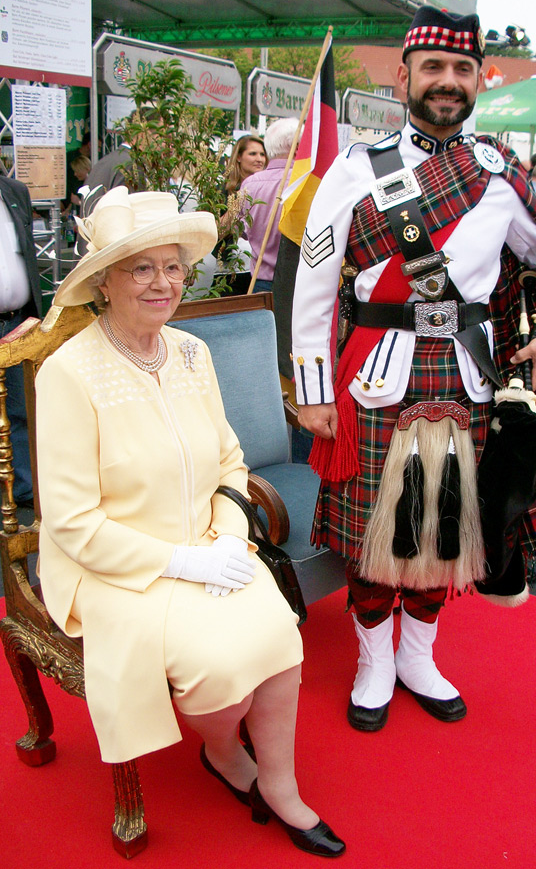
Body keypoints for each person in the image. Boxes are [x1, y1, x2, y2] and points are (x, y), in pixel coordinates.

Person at [291, 7, 536, 733]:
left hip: (465, 375)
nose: (446, 83)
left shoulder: (500, 173)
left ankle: (417, 653)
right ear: (404, 77)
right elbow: (315, 283)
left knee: (443, 524)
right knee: (372, 534)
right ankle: (371, 660)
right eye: (432, 69)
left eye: (460, 69)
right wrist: (313, 393)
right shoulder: (354, 168)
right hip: (374, 376)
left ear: (478, 78)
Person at [35, 187, 345, 858]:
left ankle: (282, 785)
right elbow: (71, 523)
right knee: (216, 666)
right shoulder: (68, 374)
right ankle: (225, 755)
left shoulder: (190, 352)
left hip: (211, 540)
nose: (162, 282)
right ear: (104, 283)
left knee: (280, 635)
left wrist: (228, 540)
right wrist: (184, 564)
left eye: (172, 266)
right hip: (111, 566)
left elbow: (229, 460)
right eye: (140, 268)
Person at [0, 173, 43, 506]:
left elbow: (26, 256)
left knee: (21, 409)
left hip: (17, 322)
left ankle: (25, 489)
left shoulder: (13, 191)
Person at [240, 118, 299, 293]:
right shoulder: (305, 184)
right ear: (296, 147)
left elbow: (243, 231)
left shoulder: (249, 184)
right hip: (296, 283)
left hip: (261, 280)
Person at [216, 134, 268, 294]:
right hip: (230, 274)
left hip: (261, 273)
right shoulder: (224, 190)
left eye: (262, 154)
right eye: (253, 154)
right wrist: (237, 204)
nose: (259, 159)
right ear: (238, 157)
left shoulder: (269, 189)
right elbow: (216, 231)